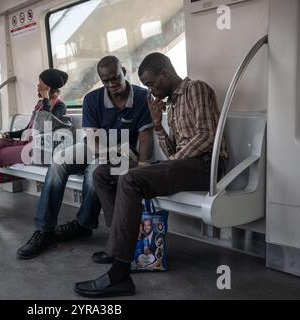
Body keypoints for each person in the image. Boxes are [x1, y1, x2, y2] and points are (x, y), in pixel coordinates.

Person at [74, 52, 228, 298]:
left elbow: (207, 136)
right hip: (183, 165)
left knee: (131, 179)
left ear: (165, 74)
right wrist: (157, 124)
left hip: (205, 166)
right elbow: (172, 150)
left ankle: (120, 273)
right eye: (147, 86)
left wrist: (169, 162)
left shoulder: (195, 89)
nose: (151, 91)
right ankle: (118, 247)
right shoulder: (172, 104)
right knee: (104, 172)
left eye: (151, 84)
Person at [17, 56, 153, 259]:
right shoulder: (92, 99)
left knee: (94, 171)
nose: (112, 84)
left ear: (123, 71)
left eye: (115, 78)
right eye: (106, 81)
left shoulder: (142, 97)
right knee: (59, 162)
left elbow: (145, 136)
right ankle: (45, 230)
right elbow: (92, 142)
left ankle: (83, 224)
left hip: (124, 149)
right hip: (96, 145)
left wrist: (143, 165)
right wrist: (105, 152)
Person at [0, 68, 69, 222]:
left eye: (40, 83)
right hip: (23, 141)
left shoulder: (59, 106)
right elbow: (28, 129)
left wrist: (45, 100)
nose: (37, 86)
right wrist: (11, 135)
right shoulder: (39, 104)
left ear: (48, 87)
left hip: (35, 148)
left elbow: (46, 125)